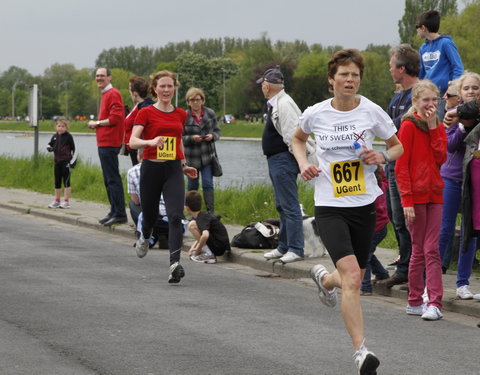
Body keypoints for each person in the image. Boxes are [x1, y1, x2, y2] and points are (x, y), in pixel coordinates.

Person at [291, 49, 403, 374]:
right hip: (329, 206)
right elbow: (298, 139)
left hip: (364, 205)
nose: (350, 80)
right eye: (344, 74)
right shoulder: (316, 113)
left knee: (350, 276)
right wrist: (303, 164)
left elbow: (397, 146)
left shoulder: (371, 111)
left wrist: (382, 157)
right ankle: (361, 352)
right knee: (354, 278)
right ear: (332, 80)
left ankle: (325, 279)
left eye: (355, 75)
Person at [129, 70, 197, 284]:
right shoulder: (146, 113)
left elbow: (178, 141)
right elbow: (132, 141)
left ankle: (174, 264)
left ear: (175, 88)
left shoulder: (180, 114)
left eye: (170, 86)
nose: (166, 90)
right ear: (155, 89)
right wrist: (149, 142)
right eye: (162, 86)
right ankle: (145, 235)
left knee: (176, 216)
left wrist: (184, 164)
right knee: (149, 216)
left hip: (172, 170)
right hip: (151, 169)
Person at [395, 79, 447, 321]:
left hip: (434, 194)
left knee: (431, 249)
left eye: (434, 100)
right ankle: (415, 300)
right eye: (425, 100)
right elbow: (401, 166)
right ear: (415, 101)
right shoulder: (408, 126)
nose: (431, 104)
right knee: (418, 251)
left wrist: (434, 126)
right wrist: (406, 200)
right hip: (414, 197)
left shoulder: (436, 125)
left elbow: (441, 158)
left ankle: (434, 302)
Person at [257, 67, 317, 264]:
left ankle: (296, 248)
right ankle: (283, 246)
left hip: (283, 159)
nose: (262, 88)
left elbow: (293, 135)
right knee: (281, 205)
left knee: (290, 205)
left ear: (267, 86)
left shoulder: (284, 104)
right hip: (276, 159)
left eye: (263, 85)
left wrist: (300, 161)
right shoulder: (276, 103)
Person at [377, 44, 420, 289]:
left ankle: (417, 270)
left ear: (402, 68)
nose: (390, 70)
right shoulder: (397, 96)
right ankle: (404, 268)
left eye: (392, 66)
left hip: (410, 167)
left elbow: (398, 127)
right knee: (397, 218)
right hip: (394, 165)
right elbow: (388, 127)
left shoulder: (419, 94)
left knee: (410, 219)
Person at [439, 73, 479, 300]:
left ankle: (463, 283)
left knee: (470, 234)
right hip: (452, 179)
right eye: (467, 89)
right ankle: (430, 282)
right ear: (460, 93)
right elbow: (451, 146)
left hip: (473, 183)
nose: (472, 92)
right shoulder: (454, 115)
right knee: (444, 230)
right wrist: (464, 126)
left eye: (476, 88)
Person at [87, 67, 127, 227]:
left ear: (109, 77)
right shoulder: (105, 94)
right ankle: (113, 210)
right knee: (107, 179)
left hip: (110, 142)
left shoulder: (113, 94)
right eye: (97, 76)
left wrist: (96, 123)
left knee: (112, 178)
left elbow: (117, 118)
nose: (99, 78)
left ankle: (120, 214)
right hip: (103, 141)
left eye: (102, 76)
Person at [416, 9, 464, 119]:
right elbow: (421, 73)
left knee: (439, 124)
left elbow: (458, 67)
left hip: (443, 94)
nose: (416, 30)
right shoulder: (423, 48)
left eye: (416, 27)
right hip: (427, 94)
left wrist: (452, 87)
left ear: (423, 28)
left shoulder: (446, 43)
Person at [182, 87, 221, 213]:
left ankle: (211, 212)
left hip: (207, 157)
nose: (195, 102)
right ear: (188, 102)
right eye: (192, 100)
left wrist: (212, 136)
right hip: (191, 158)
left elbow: (217, 131)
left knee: (207, 184)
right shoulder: (184, 116)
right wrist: (192, 138)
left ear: (202, 100)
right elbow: (180, 137)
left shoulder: (210, 113)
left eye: (197, 99)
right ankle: (191, 212)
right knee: (192, 186)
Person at [126, 148, 169, 248]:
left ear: (139, 156)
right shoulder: (165, 167)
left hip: (150, 215)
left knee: (133, 204)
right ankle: (164, 236)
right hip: (169, 215)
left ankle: (145, 235)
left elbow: (136, 200)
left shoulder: (132, 171)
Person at [360, 166, 390, 295]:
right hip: (382, 228)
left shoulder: (369, 193)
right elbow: (384, 178)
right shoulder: (383, 186)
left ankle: (366, 287)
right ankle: (382, 274)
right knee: (368, 253)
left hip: (374, 228)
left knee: (364, 256)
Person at [184, 190, 230, 264]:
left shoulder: (201, 219)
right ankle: (207, 251)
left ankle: (209, 254)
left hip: (219, 247)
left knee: (191, 225)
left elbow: (205, 235)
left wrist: (198, 250)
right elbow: (201, 235)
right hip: (220, 245)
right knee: (193, 223)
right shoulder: (201, 216)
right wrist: (192, 248)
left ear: (187, 208)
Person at [124, 76, 155, 166]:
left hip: (139, 149)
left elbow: (145, 129)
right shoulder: (137, 106)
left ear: (135, 93)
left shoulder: (144, 107)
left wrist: (141, 150)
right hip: (133, 148)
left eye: (130, 91)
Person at [46, 118, 76, 209]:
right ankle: (57, 200)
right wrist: (49, 148)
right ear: (56, 127)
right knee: (57, 182)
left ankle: (66, 201)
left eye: (63, 126)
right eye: (59, 126)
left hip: (66, 162)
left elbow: (74, 149)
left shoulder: (69, 137)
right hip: (57, 162)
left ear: (66, 127)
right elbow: (49, 145)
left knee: (66, 182)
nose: (60, 128)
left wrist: (72, 162)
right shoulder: (55, 136)